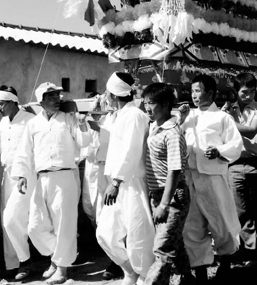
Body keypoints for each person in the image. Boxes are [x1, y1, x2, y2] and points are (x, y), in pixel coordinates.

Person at [11, 83, 90, 284]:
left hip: (65, 177)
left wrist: (82, 123)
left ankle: (61, 269)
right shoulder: (34, 124)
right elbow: (24, 152)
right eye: (51, 96)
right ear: (41, 101)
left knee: (64, 224)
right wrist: (21, 175)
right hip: (41, 178)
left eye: (58, 95)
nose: (57, 99)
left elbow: (84, 143)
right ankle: (58, 257)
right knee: (35, 226)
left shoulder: (68, 119)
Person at [178, 74, 242, 283]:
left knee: (221, 221)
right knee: (193, 224)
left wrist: (218, 151)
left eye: (198, 90)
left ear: (210, 93)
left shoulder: (222, 118)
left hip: (213, 177)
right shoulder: (187, 116)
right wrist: (180, 120)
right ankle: (201, 270)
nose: (194, 95)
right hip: (190, 177)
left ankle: (225, 263)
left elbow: (235, 145)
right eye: (192, 90)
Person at [95, 72, 155, 285]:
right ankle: (130, 271)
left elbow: (131, 151)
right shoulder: (120, 115)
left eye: (106, 92)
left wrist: (117, 181)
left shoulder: (135, 116)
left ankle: (146, 278)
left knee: (139, 235)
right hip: (117, 184)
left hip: (131, 183)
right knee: (105, 233)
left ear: (112, 94)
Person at [0, 86, 36, 280]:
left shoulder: (29, 121)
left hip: (26, 177)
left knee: (19, 220)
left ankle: (31, 261)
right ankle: (13, 265)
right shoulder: (3, 123)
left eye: (0, 103)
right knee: (7, 223)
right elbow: (0, 147)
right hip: (8, 177)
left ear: (12, 102)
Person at [142, 83, 192, 285]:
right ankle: (187, 279)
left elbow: (175, 170)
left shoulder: (172, 133)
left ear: (164, 104)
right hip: (158, 195)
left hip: (172, 197)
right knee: (174, 244)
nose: (147, 108)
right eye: (145, 103)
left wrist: (164, 204)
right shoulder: (155, 126)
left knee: (162, 249)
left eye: (151, 103)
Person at [222, 72, 257, 261]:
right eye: (244, 92)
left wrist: (228, 120)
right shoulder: (227, 109)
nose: (248, 95)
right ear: (236, 90)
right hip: (233, 164)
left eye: (252, 91)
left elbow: (251, 132)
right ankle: (249, 249)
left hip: (255, 163)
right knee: (240, 211)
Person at [81, 93, 123, 280]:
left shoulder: (115, 119)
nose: (97, 108)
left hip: (108, 168)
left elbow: (114, 140)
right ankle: (108, 250)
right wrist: (85, 125)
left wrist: (98, 127)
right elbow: (82, 144)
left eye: (100, 104)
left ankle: (116, 261)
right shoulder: (87, 120)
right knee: (89, 209)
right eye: (94, 106)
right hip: (91, 167)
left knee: (109, 214)